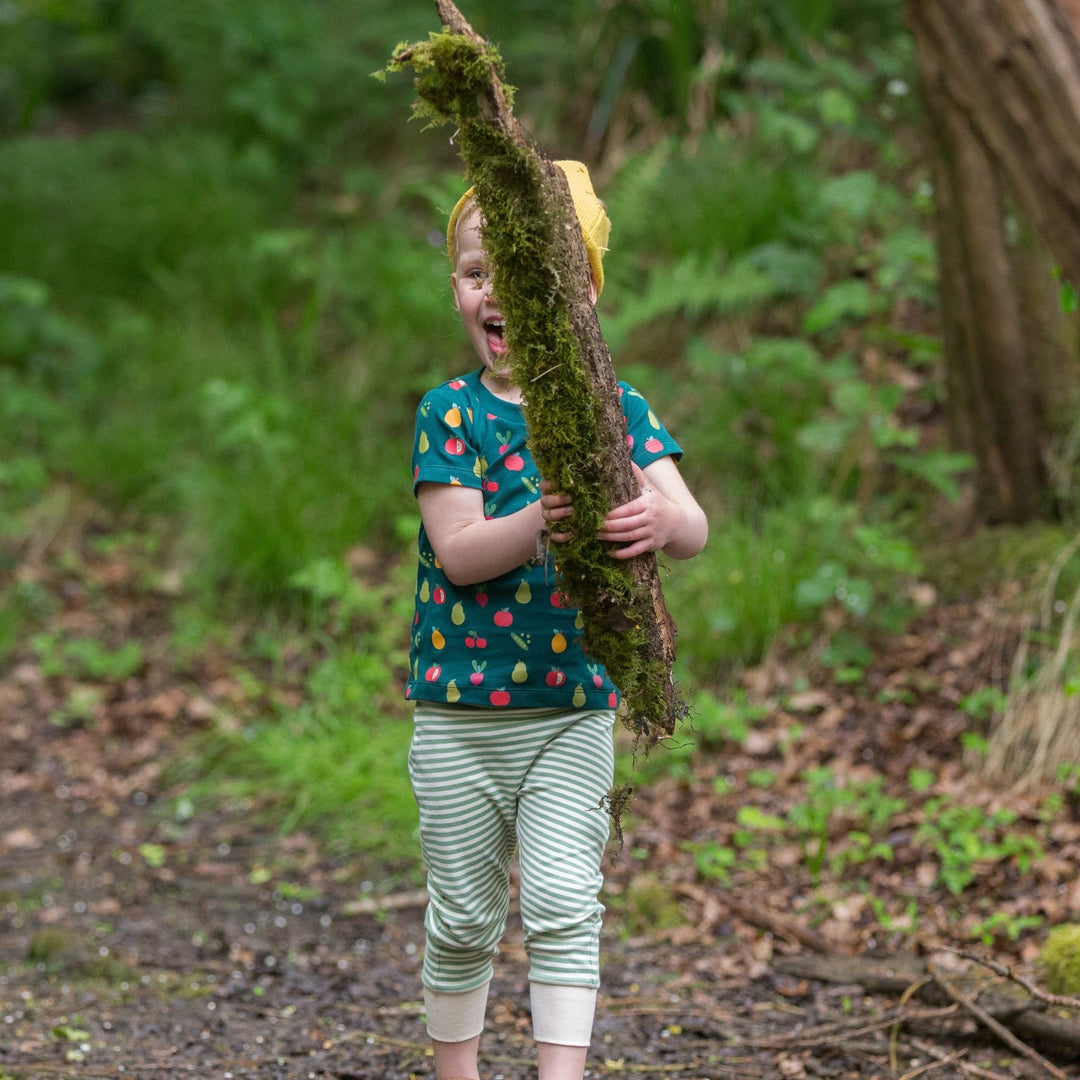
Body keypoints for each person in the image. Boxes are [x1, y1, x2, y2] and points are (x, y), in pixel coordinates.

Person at [405, 159, 708, 1080]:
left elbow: (692, 526)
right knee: (463, 912)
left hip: (573, 709)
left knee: (568, 902)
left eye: (525, 271)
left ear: (580, 293)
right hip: (460, 716)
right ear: (457, 288)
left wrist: (661, 519)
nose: (496, 291)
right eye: (474, 270)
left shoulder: (617, 409)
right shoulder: (450, 413)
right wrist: (543, 516)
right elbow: (460, 552)